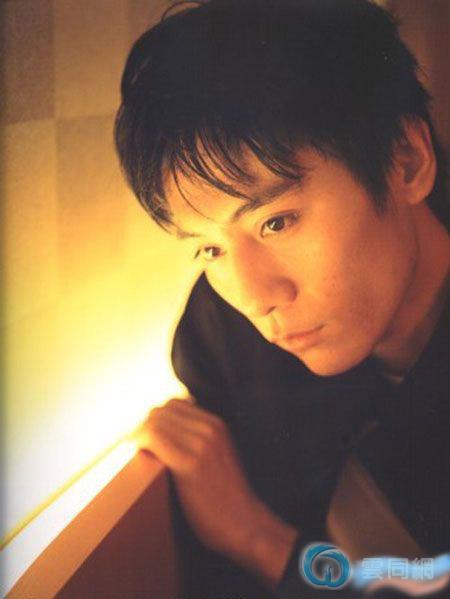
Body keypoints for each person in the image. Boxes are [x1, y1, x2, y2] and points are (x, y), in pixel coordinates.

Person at [114, 0, 449, 596]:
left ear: (406, 161)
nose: (254, 298)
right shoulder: (220, 335)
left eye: (276, 222)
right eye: (210, 247)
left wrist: (255, 538)